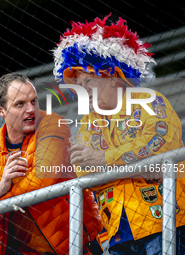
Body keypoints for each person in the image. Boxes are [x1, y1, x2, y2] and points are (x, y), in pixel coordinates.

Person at [52, 14, 185, 254]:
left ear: (113, 77)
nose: (82, 90)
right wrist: (139, 168)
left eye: (89, 81)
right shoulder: (88, 122)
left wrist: (104, 161)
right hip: (116, 232)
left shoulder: (149, 101)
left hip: (165, 220)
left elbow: (160, 149)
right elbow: (82, 168)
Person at [0, 73, 103, 255]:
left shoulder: (52, 123)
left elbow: (42, 179)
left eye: (33, 101)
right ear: (1, 110)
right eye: (20, 104)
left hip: (72, 245)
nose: (30, 109)